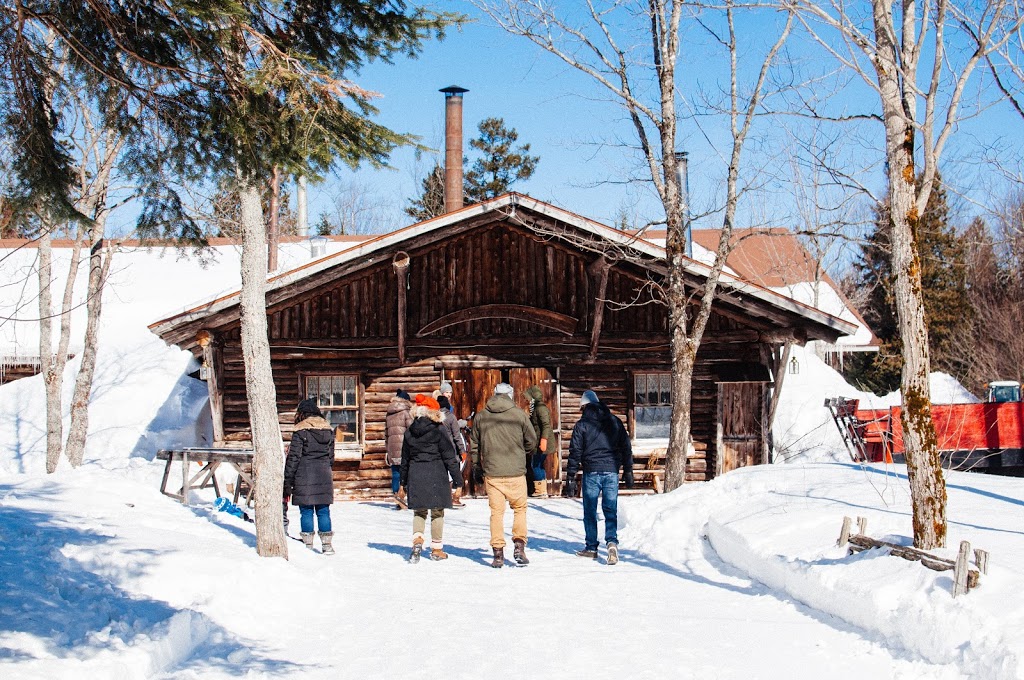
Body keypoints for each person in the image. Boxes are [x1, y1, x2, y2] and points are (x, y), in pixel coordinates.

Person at [471, 382, 538, 568]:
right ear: (511, 395)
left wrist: (476, 467)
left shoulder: (481, 416)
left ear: (494, 395)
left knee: (496, 513)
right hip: (516, 472)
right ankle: (519, 546)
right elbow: (531, 442)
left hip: (492, 472)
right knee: (520, 509)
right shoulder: (519, 415)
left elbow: (474, 445)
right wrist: (521, 453)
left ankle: (498, 553)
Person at [565, 390, 633, 565]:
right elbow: (626, 447)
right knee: (610, 510)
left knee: (590, 511)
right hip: (611, 471)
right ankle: (611, 542)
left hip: (592, 472)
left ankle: (591, 547)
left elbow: (575, 452)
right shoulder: (615, 421)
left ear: (584, 407)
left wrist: (571, 476)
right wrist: (628, 471)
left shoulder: (582, 425)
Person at [400, 394, 463, 562]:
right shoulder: (439, 429)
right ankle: (436, 550)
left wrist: (403, 482)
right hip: (436, 473)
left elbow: (405, 459)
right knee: (437, 512)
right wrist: (458, 480)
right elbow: (449, 456)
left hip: (416, 473)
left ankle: (418, 541)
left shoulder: (410, 431)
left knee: (419, 511)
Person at [284, 398, 337, 555]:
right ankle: (327, 545)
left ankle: (307, 545)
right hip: (324, 474)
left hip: (304, 475)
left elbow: (294, 457)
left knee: (306, 510)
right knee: (323, 510)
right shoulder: (328, 430)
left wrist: (288, 480)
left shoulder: (300, 431)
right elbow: (331, 457)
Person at [437, 394, 467, 507]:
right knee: (457, 476)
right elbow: (457, 436)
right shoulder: (450, 417)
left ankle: (445, 497)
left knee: (442, 475)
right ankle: (456, 497)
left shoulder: (434, 417)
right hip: (451, 451)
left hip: (438, 451)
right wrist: (462, 451)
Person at [525, 385, 555, 498]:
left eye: (528, 397)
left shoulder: (540, 408)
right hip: (538, 440)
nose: (527, 400)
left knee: (536, 464)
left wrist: (544, 439)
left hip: (542, 442)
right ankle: (541, 490)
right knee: (538, 464)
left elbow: (546, 425)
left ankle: (540, 490)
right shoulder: (536, 407)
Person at [385, 389, 414, 509]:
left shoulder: (389, 413)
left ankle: (397, 494)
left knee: (396, 473)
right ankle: (404, 496)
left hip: (392, 447)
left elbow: (386, 433)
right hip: (404, 447)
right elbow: (412, 430)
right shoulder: (406, 412)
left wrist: (388, 449)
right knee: (407, 472)